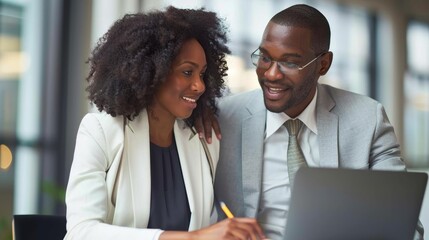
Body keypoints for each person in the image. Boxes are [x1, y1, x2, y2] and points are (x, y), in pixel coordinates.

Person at [197, 4, 424, 239]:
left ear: (323, 64)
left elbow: (405, 225)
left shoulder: (367, 119)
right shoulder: (222, 117)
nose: (272, 74)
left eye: (291, 62)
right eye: (265, 58)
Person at [64, 6, 266, 240]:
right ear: (152, 71)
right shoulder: (100, 131)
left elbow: (210, 225)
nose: (199, 86)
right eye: (187, 72)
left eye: (202, 74)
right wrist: (192, 238)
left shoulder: (202, 139)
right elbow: (81, 232)